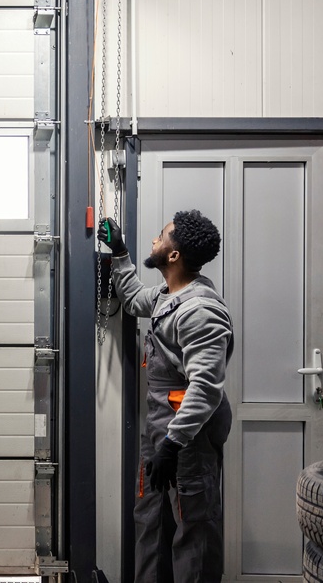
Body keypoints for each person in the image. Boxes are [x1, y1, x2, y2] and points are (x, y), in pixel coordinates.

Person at [97, 211, 233, 583]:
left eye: (162, 235)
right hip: (160, 428)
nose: (155, 239)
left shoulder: (200, 310)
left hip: (187, 438)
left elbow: (206, 388)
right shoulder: (167, 295)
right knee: (151, 520)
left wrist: (173, 445)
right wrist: (120, 252)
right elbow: (133, 299)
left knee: (194, 529)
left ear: (173, 255)